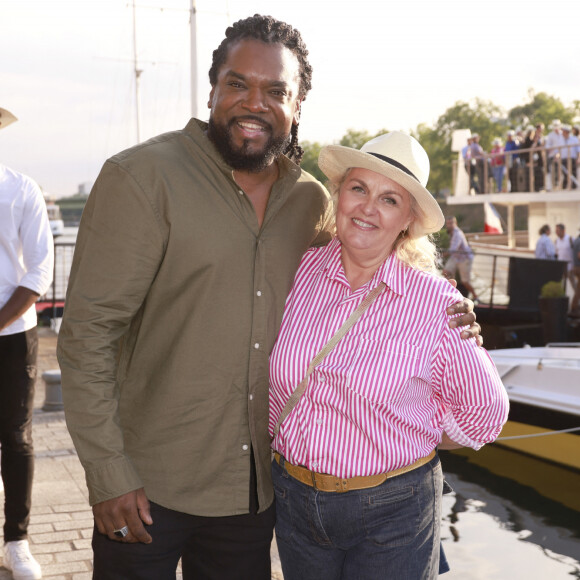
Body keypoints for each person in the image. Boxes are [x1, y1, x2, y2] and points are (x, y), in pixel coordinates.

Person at [57, 15, 480, 580]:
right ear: (213, 89)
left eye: (276, 91)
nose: (254, 103)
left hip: (253, 496)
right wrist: (108, 473)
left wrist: (449, 308)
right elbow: (86, 337)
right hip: (146, 487)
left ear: (297, 104)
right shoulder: (142, 178)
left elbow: (371, 252)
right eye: (237, 83)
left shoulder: (309, 200)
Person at [269, 132, 509, 580]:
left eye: (389, 199)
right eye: (358, 189)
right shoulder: (297, 271)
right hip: (295, 500)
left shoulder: (436, 304)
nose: (367, 208)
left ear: (407, 220)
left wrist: (412, 433)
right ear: (339, 196)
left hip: (394, 509)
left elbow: (487, 414)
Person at [1, 107, 53, 580]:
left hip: (12, 336)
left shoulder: (20, 189)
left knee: (14, 439)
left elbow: (39, 270)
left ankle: (16, 540)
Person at [443, 216, 479, 302]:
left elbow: (453, 249)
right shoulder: (450, 232)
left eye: (451, 223)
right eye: (448, 223)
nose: (449, 225)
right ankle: (452, 292)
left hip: (464, 258)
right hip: (456, 257)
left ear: (455, 224)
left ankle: (476, 297)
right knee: (446, 271)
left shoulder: (457, 233)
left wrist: (440, 255)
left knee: (465, 282)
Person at [555, 223, 577, 291]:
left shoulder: (570, 239)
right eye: (556, 231)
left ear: (563, 230)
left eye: (558, 230)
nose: (556, 232)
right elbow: (557, 253)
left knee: (574, 284)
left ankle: (578, 298)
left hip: (570, 267)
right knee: (560, 284)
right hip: (561, 267)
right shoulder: (556, 241)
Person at [545, 120, 564, 190]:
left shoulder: (562, 134)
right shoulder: (550, 135)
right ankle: (554, 186)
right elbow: (547, 146)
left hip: (563, 156)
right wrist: (554, 153)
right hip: (553, 157)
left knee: (562, 173)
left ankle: (561, 186)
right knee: (554, 172)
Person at [560, 124, 579, 190]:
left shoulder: (574, 139)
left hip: (572, 158)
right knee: (565, 173)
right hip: (563, 159)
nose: (562, 133)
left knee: (573, 172)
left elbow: (578, 149)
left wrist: (578, 158)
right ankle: (564, 187)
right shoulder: (560, 139)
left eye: (563, 131)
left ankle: (573, 186)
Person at [570, 232, 580, 317]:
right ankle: (574, 307)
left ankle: (575, 306)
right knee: (578, 290)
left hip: (575, 267)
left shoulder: (576, 240)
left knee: (578, 288)